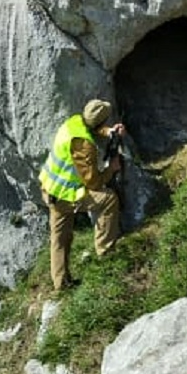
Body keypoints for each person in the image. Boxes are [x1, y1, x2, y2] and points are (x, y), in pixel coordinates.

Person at [39, 99, 125, 291]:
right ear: (100, 121)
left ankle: (60, 285)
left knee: (60, 238)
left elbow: (92, 128)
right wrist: (111, 169)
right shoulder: (84, 146)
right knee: (109, 200)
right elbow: (93, 182)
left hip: (50, 189)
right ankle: (106, 252)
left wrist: (109, 132)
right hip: (67, 195)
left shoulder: (73, 123)